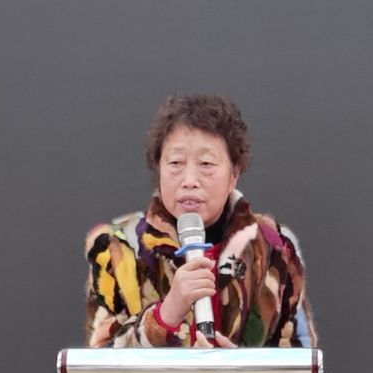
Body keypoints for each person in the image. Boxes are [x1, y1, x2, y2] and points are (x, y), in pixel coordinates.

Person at [84, 94, 318, 348]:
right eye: (175, 163)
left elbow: (301, 358)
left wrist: (243, 367)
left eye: (206, 164)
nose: (189, 180)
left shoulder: (273, 247)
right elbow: (99, 359)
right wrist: (163, 317)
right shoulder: (118, 250)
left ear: (234, 174)